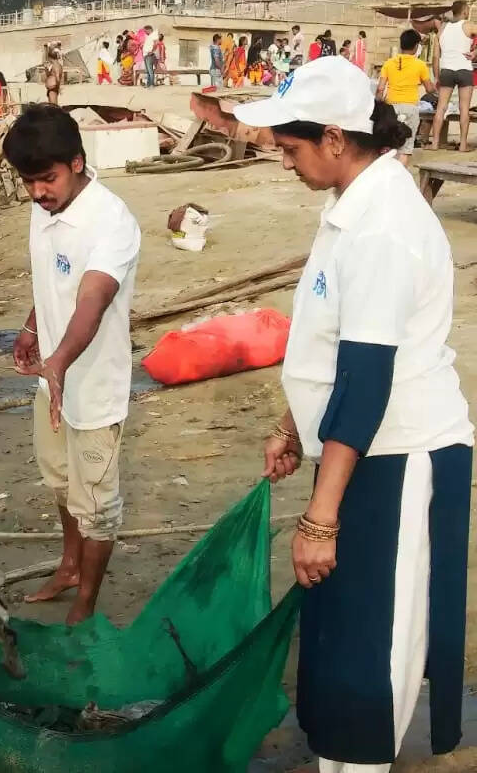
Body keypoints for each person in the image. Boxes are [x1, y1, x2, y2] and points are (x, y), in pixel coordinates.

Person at [236, 55, 473, 773]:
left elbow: (367, 378)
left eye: (291, 148)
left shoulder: (382, 228)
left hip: (399, 453)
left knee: (376, 636)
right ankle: (341, 761)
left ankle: (362, 762)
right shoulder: (350, 206)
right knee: (339, 625)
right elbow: (326, 338)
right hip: (356, 448)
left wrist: (320, 516)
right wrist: (291, 423)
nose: (285, 162)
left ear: (336, 138)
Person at [5, 105, 140, 625]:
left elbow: (92, 298)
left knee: (98, 505)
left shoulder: (112, 221)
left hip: (94, 388)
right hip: (52, 383)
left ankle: (84, 607)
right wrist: (33, 328)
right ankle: (69, 566)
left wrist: (60, 360)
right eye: (29, 182)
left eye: (48, 178)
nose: (38, 192)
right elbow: (53, 283)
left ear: (78, 162)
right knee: (60, 482)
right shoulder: (45, 211)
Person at [415, 0, 477, 152]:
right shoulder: (468, 25)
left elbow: (436, 56)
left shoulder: (442, 29)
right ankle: (463, 145)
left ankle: (435, 143)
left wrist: (436, 76)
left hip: (446, 71)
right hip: (464, 69)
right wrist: (475, 53)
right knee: (464, 108)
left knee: (441, 108)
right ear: (464, 11)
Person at [377, 29, 436, 165]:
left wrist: (379, 106)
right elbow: (429, 89)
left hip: (391, 108)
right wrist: (435, 87)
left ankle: (386, 173)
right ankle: (399, 176)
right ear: (416, 46)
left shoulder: (389, 63)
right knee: (405, 149)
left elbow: (380, 89)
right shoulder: (420, 65)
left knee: (388, 145)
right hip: (410, 108)